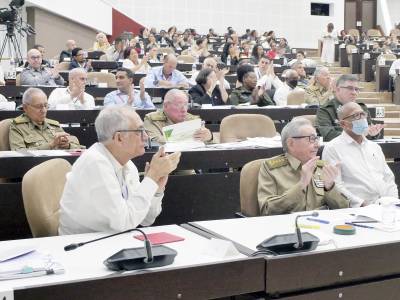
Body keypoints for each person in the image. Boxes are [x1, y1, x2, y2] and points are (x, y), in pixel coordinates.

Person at [59, 106, 181, 234]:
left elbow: (145, 219)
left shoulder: (127, 164)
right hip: (82, 246)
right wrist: (152, 176)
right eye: (139, 131)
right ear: (119, 138)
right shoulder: (95, 163)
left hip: (109, 241)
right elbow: (124, 223)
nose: (146, 137)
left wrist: (156, 188)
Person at [257, 117, 349, 215]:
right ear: (291, 143)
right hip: (288, 226)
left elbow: (344, 208)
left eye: (317, 139)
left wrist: (329, 187)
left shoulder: (321, 167)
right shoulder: (271, 168)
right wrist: (301, 185)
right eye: (311, 139)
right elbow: (266, 210)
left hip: (320, 225)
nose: (317, 145)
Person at [322, 102, 398, 207]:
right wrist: (362, 204)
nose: (362, 118)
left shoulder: (374, 147)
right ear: (343, 124)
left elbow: (388, 178)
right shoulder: (333, 148)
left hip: (386, 206)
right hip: (358, 209)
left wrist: (393, 201)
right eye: (356, 115)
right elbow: (337, 185)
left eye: (363, 114)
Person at [9, 88, 82, 150]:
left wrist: (68, 146)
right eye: (38, 106)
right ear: (25, 108)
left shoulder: (54, 125)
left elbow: (79, 149)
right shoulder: (17, 127)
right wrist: (50, 145)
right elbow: (19, 154)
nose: (44, 110)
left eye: (46, 105)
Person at [316, 74, 383, 142]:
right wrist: (357, 135)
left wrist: (373, 133)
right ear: (338, 89)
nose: (354, 92)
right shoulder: (326, 110)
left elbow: (368, 133)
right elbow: (328, 135)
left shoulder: (361, 108)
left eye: (356, 89)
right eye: (350, 88)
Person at [143, 89, 212, 144]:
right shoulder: (152, 119)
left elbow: (210, 144)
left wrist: (209, 137)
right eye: (179, 105)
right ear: (166, 105)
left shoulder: (193, 119)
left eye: (185, 105)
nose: (184, 110)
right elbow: (156, 142)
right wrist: (187, 137)